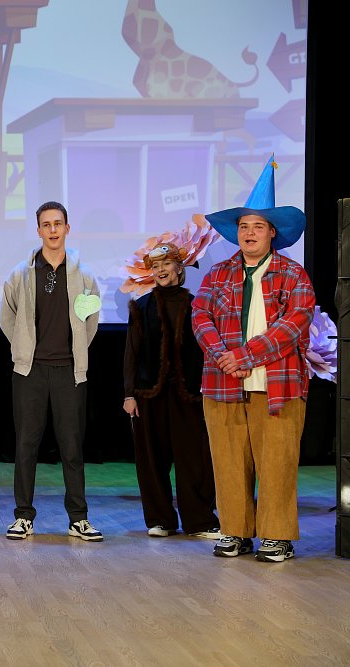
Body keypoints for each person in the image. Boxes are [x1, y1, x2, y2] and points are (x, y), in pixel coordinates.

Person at [193, 157, 315, 562]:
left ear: (272, 233)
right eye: (244, 226)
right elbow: (200, 316)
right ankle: (235, 531)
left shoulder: (293, 275)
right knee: (228, 461)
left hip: (278, 384)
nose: (249, 232)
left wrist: (245, 355)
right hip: (223, 383)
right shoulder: (217, 274)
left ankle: (277, 536)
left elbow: (294, 323)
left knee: (277, 462)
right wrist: (224, 358)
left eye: (257, 226)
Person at [0, 201, 103, 542]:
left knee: (72, 448)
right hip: (29, 371)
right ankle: (23, 516)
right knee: (26, 446)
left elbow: (91, 321)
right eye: (46, 224)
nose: (53, 230)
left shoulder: (84, 274)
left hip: (69, 373)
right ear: (39, 230)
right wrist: (23, 348)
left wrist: (76, 354)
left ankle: (78, 518)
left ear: (67, 228)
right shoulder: (21, 274)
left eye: (58, 223)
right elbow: (8, 318)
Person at [123, 242, 219, 539]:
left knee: (195, 458)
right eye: (155, 266)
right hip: (149, 394)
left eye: (166, 264)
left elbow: (207, 350)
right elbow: (131, 352)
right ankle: (161, 519)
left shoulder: (196, 305)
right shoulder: (142, 306)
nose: (161, 270)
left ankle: (200, 520)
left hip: (188, 395)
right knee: (152, 460)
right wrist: (129, 394)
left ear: (179, 267)